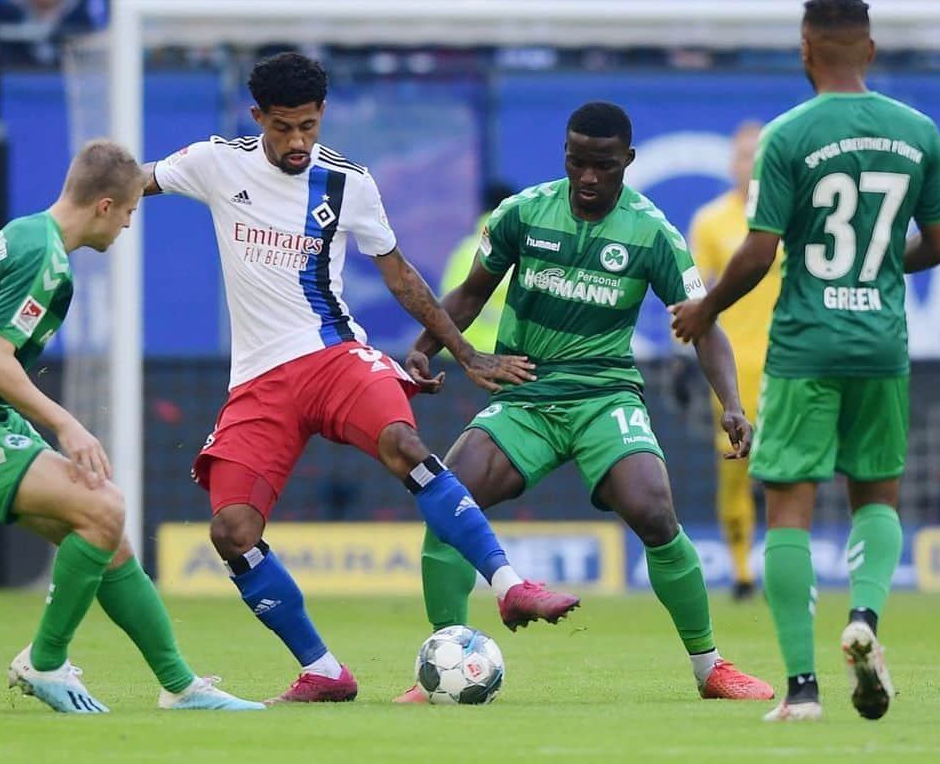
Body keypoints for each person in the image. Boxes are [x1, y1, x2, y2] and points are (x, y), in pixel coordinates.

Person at [140, 52, 579, 704]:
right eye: (284, 127)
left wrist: (461, 350)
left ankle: (510, 584)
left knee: (407, 447)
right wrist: (75, 207)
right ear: (257, 116)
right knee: (232, 532)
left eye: (309, 126)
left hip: (334, 355)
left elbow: (400, 274)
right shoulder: (214, 162)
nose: (297, 141)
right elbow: (132, 179)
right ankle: (323, 670)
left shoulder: (348, 183)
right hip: (260, 380)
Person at [394, 101, 775, 704]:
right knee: (450, 503)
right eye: (577, 163)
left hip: (604, 396)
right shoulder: (523, 213)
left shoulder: (652, 232)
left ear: (627, 161)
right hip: (529, 394)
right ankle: (448, 654)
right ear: (565, 157)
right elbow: (470, 293)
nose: (589, 178)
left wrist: (729, 402)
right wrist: (424, 349)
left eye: (603, 165)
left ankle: (711, 669)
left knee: (654, 512)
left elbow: (703, 325)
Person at [0, 140, 264, 714]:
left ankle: (181, 686)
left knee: (106, 534)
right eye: (128, 213)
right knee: (105, 507)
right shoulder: (45, 260)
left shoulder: (27, 233)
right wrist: (67, 425)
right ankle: (44, 662)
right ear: (104, 207)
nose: (126, 226)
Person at [670, 0, 940, 722]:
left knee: (789, 513)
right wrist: (881, 268)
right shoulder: (918, 131)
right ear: (871, 50)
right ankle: (866, 618)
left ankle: (801, 690)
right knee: (877, 495)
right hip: (883, 344)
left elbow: (760, 251)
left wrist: (707, 308)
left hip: (804, 343)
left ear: (805, 51)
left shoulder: (788, 135)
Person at [685, 120, 779, 601]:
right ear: (731, 163)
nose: (750, 164)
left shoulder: (790, 215)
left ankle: (785, 563)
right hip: (733, 367)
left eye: (758, 155)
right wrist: (684, 350)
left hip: (788, 362)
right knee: (734, 468)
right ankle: (743, 572)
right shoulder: (710, 221)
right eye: (743, 155)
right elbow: (691, 293)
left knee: (789, 468)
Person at [438, 182, 515, 352]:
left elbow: (449, 296)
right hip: (500, 353)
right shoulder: (519, 249)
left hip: (458, 351)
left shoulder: (465, 249)